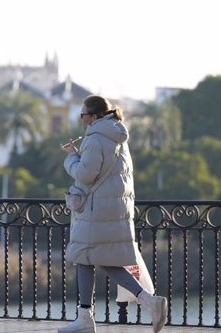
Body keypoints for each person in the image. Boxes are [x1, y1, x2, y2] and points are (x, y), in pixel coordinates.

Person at [59, 95, 167, 333]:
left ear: (94, 116)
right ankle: (87, 316)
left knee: (88, 256)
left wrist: (70, 157)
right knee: (90, 258)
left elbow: (85, 174)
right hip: (112, 210)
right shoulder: (117, 135)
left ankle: (144, 302)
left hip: (96, 210)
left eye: (83, 114)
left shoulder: (96, 138)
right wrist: (78, 153)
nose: (81, 119)